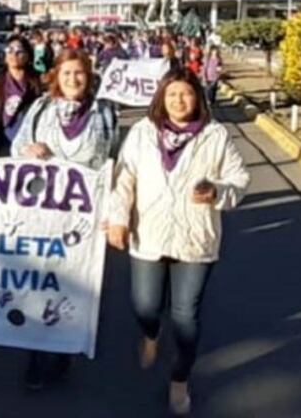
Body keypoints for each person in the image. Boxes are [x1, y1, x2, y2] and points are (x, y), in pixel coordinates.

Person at [106, 68, 249, 416]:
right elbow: (124, 178)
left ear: (197, 97)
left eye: (185, 94)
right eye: (171, 94)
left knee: (186, 317)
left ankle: (180, 379)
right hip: (149, 234)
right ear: (161, 98)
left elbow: (239, 179)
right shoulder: (143, 132)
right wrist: (118, 218)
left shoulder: (215, 135)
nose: (178, 101)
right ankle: (152, 334)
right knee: (145, 306)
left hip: (195, 239)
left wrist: (218, 192)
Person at [11, 48, 118, 390]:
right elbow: (16, 147)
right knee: (38, 284)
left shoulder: (105, 112)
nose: (73, 79)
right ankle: (35, 354)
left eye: (79, 72)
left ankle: (61, 349)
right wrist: (28, 151)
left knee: (70, 286)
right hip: (42, 215)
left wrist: (113, 210)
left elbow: (115, 164)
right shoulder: (41, 108)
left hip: (82, 222)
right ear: (56, 75)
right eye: (67, 72)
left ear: (89, 76)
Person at [0, 36, 40, 158]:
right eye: (10, 50)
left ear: (28, 56)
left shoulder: (38, 84)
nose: (14, 55)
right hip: (4, 146)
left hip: (30, 147)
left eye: (19, 51)